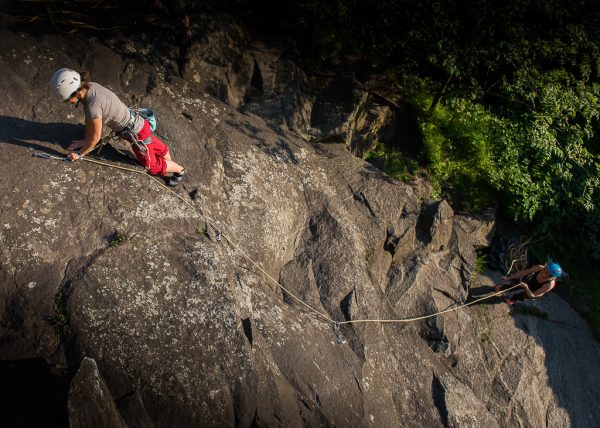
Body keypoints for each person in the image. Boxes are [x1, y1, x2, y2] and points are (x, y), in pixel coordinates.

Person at [49, 68, 185, 187]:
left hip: (136, 133)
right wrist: (85, 140)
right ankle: (166, 157)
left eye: (67, 99)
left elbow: (96, 137)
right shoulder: (90, 87)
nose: (68, 102)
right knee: (149, 142)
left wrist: (80, 154)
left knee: (151, 166)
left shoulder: (93, 105)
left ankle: (179, 171)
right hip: (138, 125)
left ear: (75, 93)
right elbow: (89, 120)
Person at [495, 261, 564, 305]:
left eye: (546, 271)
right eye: (545, 268)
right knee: (515, 285)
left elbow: (533, 295)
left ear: (550, 276)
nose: (543, 270)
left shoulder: (549, 284)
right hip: (530, 281)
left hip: (534, 291)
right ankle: (502, 288)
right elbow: (524, 272)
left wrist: (526, 287)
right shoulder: (540, 268)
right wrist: (508, 278)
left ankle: (512, 300)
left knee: (523, 296)